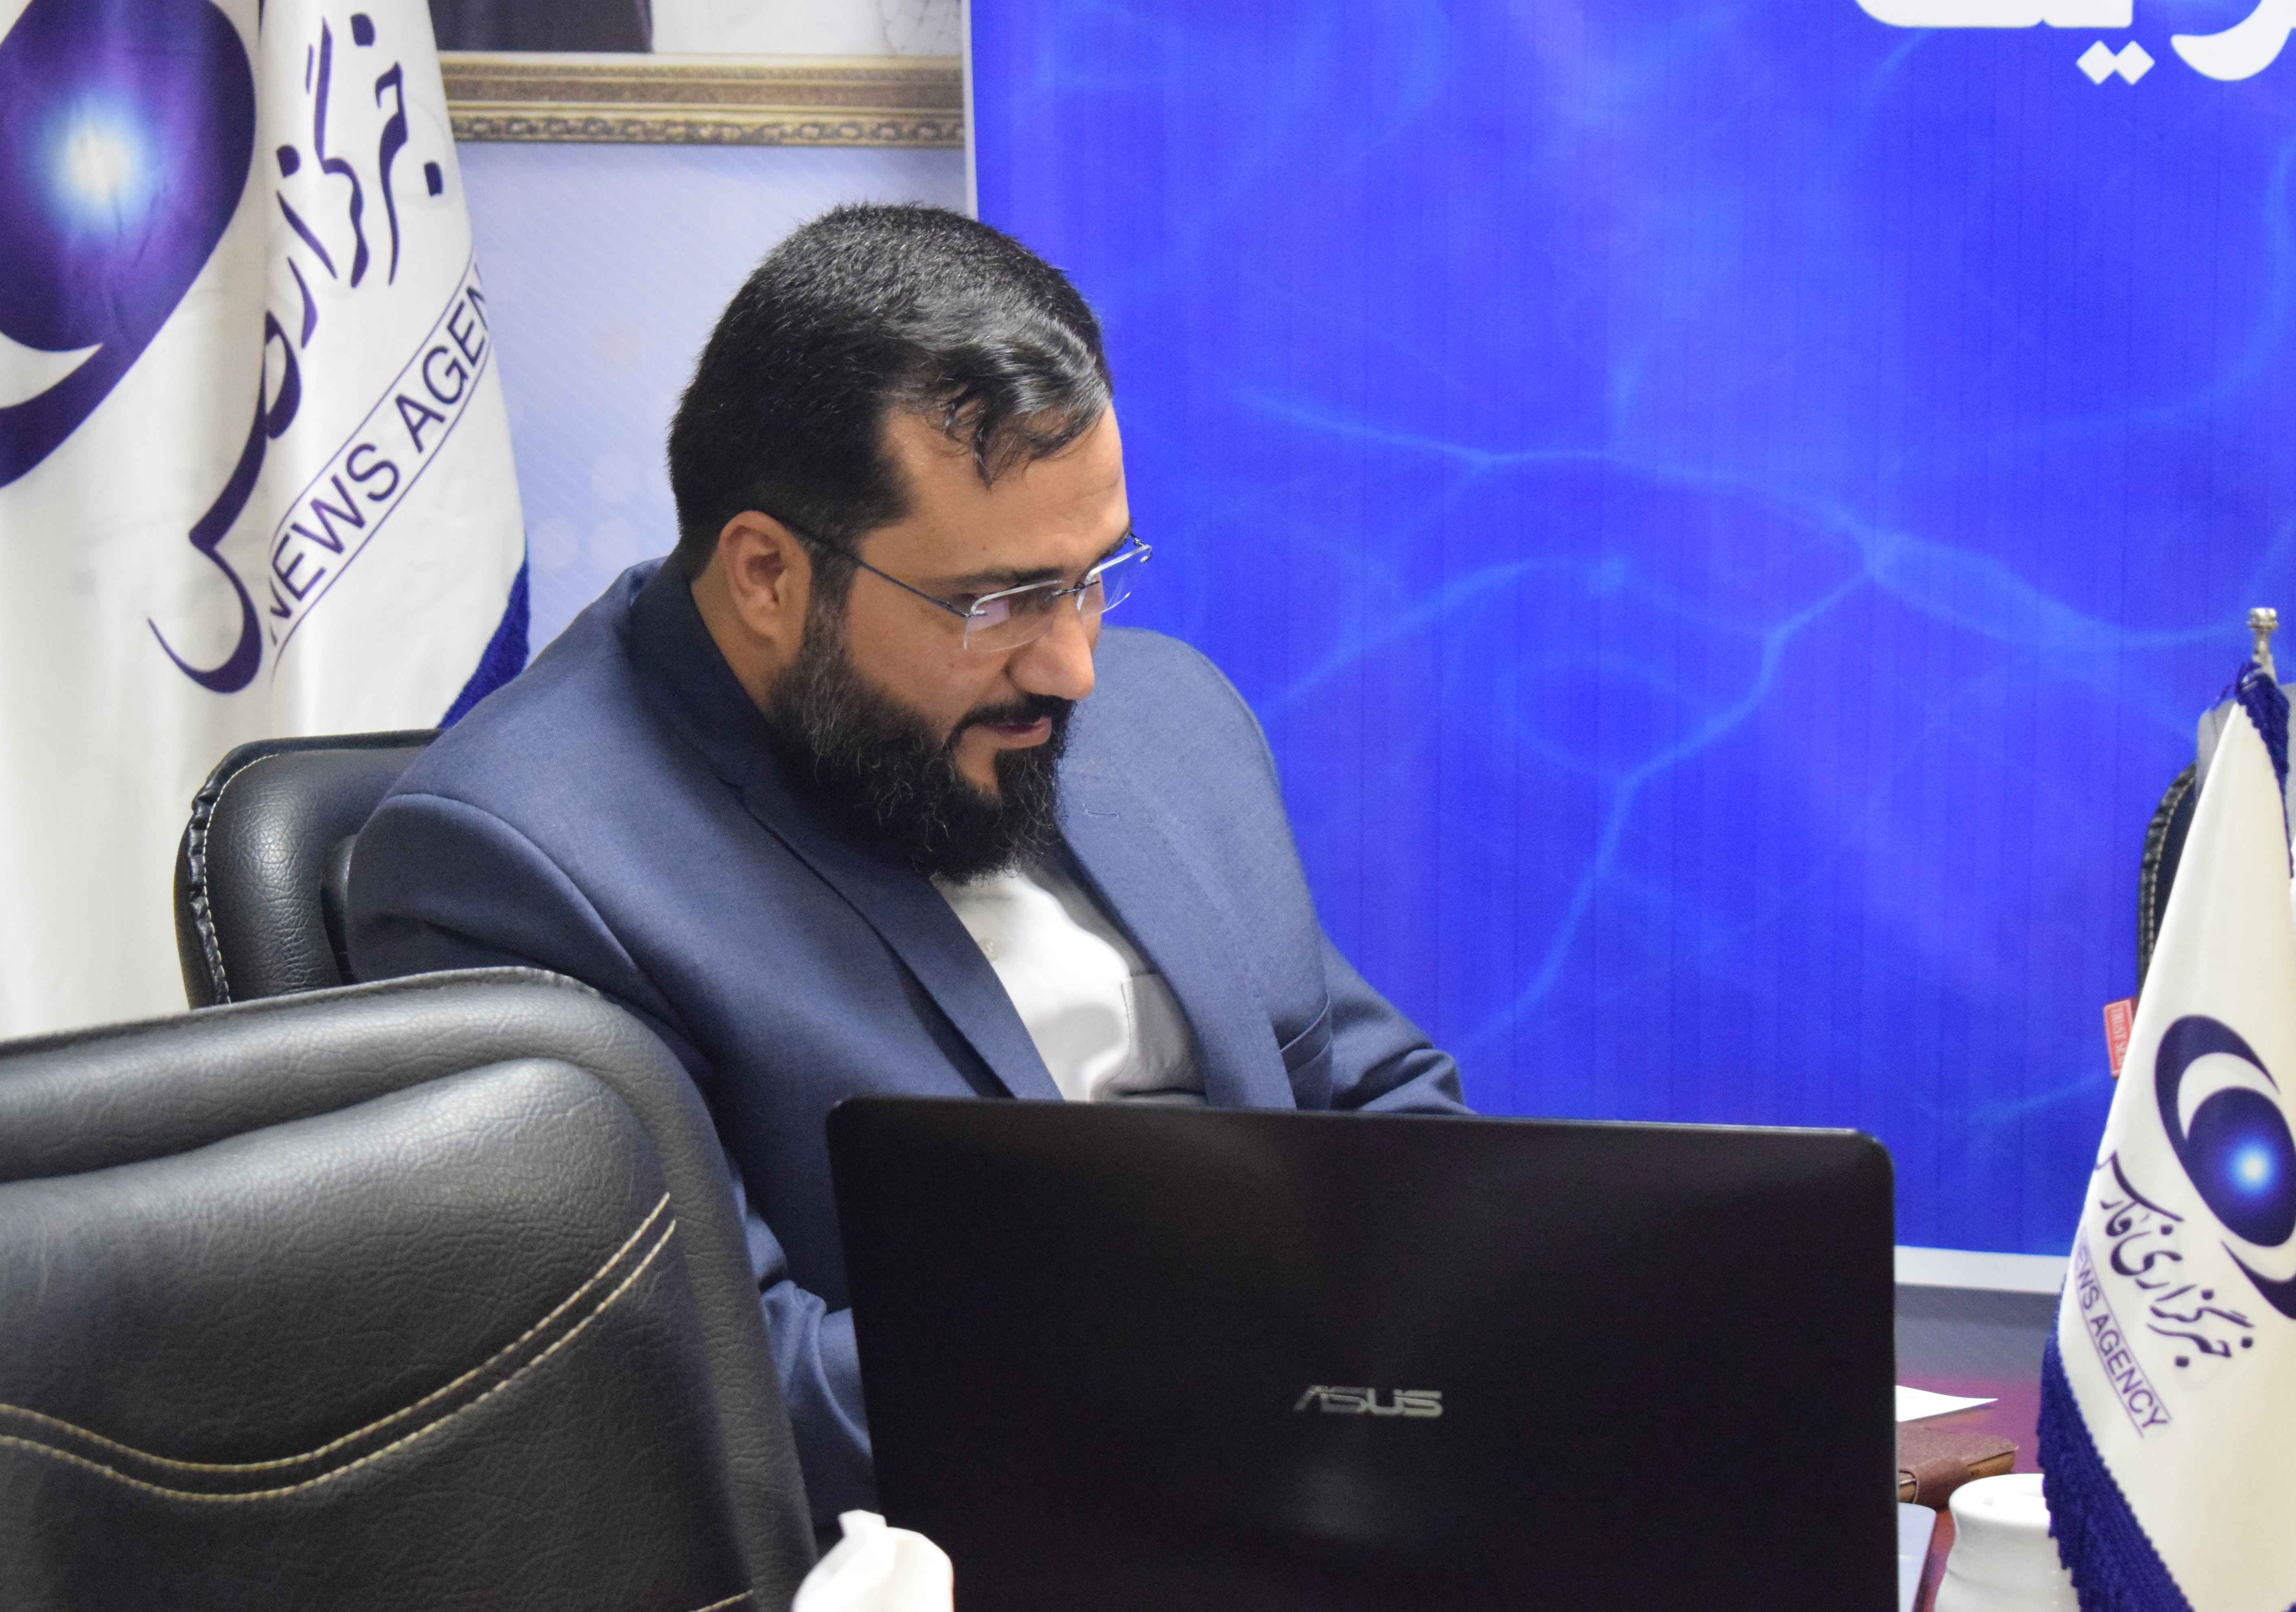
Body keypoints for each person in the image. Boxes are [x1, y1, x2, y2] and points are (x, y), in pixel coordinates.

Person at [344, 204, 1467, 1530]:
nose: (1075, 667)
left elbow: (1377, 1100)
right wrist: (1248, 1381)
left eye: (1095, 576)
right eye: (1002, 602)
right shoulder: (510, 865)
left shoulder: (1172, 717)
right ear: (766, 575)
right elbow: (710, 1403)